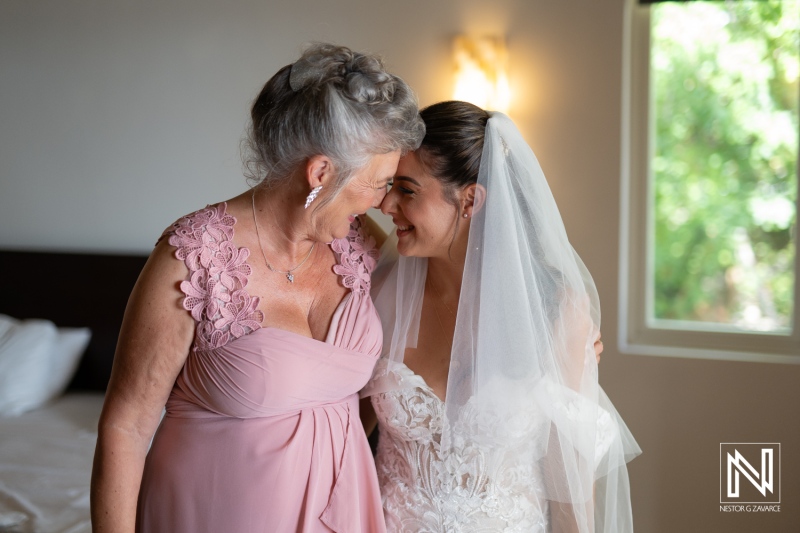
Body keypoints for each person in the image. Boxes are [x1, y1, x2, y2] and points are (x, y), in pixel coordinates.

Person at [90, 43, 424, 533]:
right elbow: (126, 426)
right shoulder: (192, 257)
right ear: (321, 174)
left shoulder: (362, 245)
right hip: (212, 512)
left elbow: (450, 288)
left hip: (341, 509)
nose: (384, 201)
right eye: (378, 183)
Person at [361, 101, 641, 532]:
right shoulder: (378, 294)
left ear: (470, 199)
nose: (387, 203)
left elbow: (570, 477)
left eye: (407, 190)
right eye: (389, 186)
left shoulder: (554, 309)